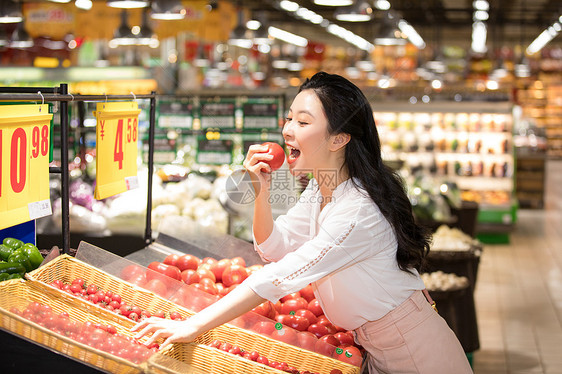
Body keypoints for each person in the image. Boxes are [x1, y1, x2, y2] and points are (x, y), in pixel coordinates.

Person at [132, 72, 473, 374]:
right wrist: (261, 192)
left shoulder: (357, 210)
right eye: (289, 118)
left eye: (303, 122)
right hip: (376, 347)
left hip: (415, 352)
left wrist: (193, 325)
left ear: (339, 139)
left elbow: (279, 277)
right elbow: (273, 249)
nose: (287, 130)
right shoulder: (321, 188)